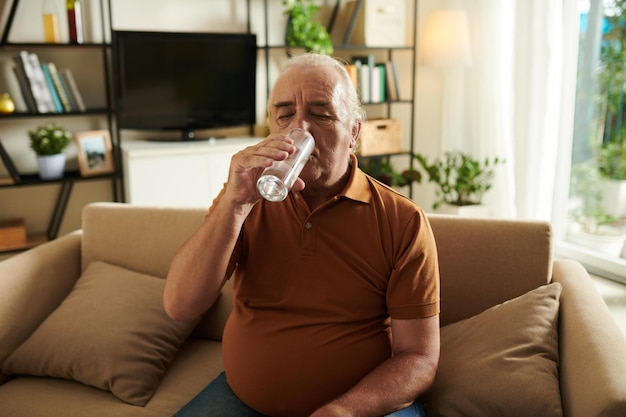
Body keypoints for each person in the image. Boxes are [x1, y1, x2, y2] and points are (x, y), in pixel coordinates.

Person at [164, 53, 441, 417]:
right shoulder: (244, 198)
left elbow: (418, 357)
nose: (301, 130)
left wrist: (344, 410)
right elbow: (179, 306)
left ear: (354, 132)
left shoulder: (402, 221)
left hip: (359, 408)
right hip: (244, 399)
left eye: (321, 113)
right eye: (284, 115)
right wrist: (234, 205)